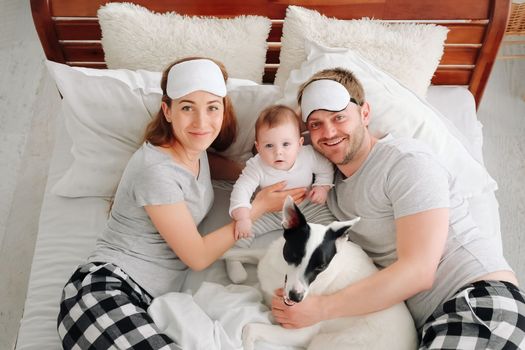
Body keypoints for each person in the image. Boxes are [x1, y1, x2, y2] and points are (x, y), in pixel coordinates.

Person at [56, 57, 306, 350]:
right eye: (187, 107)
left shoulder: (193, 148)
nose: (201, 122)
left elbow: (212, 164)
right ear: (168, 110)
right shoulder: (155, 172)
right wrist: (258, 207)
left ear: (223, 110)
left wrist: (262, 176)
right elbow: (198, 257)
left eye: (212, 108)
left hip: (143, 304)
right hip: (102, 294)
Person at [270, 69, 525, 349]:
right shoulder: (331, 187)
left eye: (339, 117)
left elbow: (419, 270)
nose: (329, 132)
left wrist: (319, 308)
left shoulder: (406, 161)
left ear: (365, 114)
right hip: (430, 324)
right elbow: (262, 168)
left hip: (478, 301)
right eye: (316, 124)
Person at [226, 105, 335, 283]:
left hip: (305, 205)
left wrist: (322, 187)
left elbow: (325, 169)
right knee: (241, 231)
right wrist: (243, 217)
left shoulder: (308, 156)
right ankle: (234, 257)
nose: (278, 152)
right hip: (269, 212)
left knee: (328, 223)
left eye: (286, 144)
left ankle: (325, 254)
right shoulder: (256, 166)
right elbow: (241, 189)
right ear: (258, 147)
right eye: (269, 145)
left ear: (299, 144)